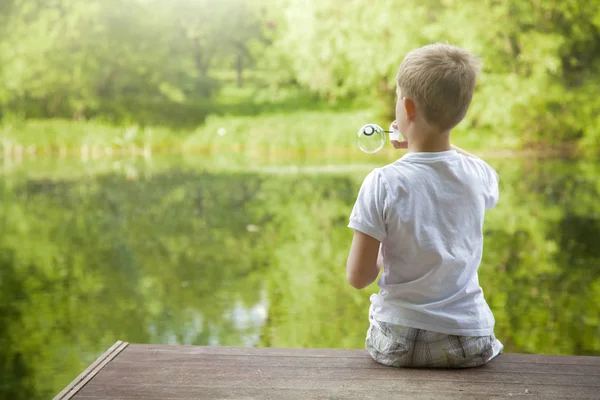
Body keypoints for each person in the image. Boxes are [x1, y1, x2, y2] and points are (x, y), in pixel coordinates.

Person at [346, 43, 503, 368]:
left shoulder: (382, 182)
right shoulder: (478, 175)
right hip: (468, 341)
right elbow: (477, 168)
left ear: (407, 107)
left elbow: (359, 278)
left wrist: (382, 249)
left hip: (397, 342)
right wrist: (432, 138)